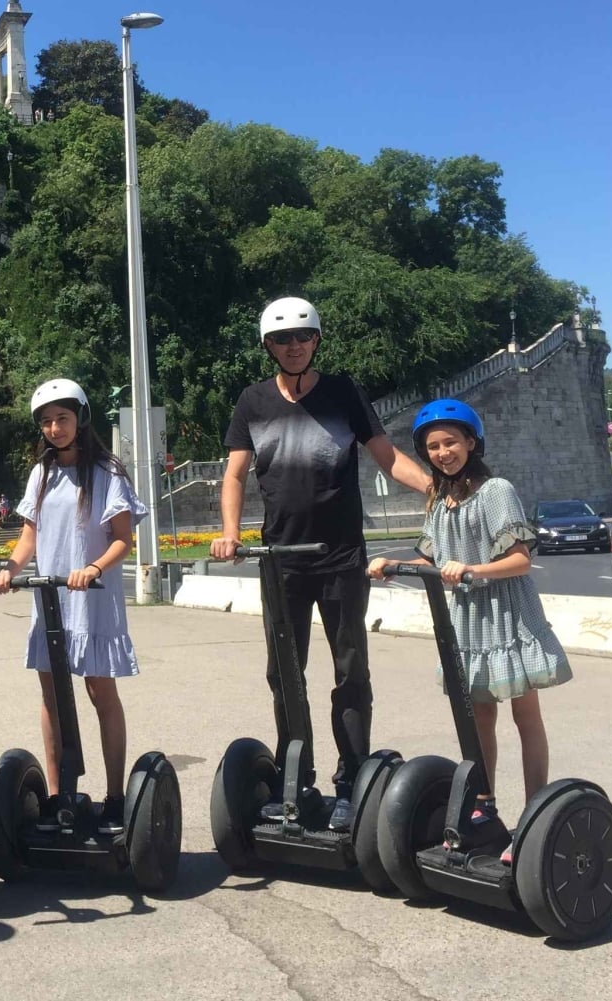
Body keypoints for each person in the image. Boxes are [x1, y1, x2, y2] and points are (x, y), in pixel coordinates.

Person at [209, 296, 431, 831]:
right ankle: (296, 778)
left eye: (302, 337)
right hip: (281, 556)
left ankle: (352, 778)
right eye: (283, 340)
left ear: (316, 342)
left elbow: (387, 456)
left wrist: (438, 489)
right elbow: (236, 474)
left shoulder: (343, 392)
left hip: (340, 556)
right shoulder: (252, 401)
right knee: (284, 673)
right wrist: (231, 533)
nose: (293, 346)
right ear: (269, 347)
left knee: (350, 670)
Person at [368, 399, 571, 863]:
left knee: (526, 717)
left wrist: (474, 570)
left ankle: (533, 818)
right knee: (479, 719)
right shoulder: (440, 501)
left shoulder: (496, 490)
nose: (442, 452)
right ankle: (484, 808)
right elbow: (435, 561)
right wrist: (392, 565)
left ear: (471, 442)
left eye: (451, 442)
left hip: (508, 613)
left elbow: (521, 558)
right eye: (433, 446)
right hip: (470, 624)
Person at [0, 379, 146, 832]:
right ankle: (60, 796)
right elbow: (28, 538)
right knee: (52, 697)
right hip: (51, 600)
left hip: (92, 601)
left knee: (101, 695)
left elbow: (123, 540)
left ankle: (115, 797)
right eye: (46, 421)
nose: (54, 428)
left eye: (62, 418)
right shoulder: (41, 474)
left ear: (80, 419)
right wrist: (11, 568)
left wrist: (94, 569)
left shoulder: (107, 473)